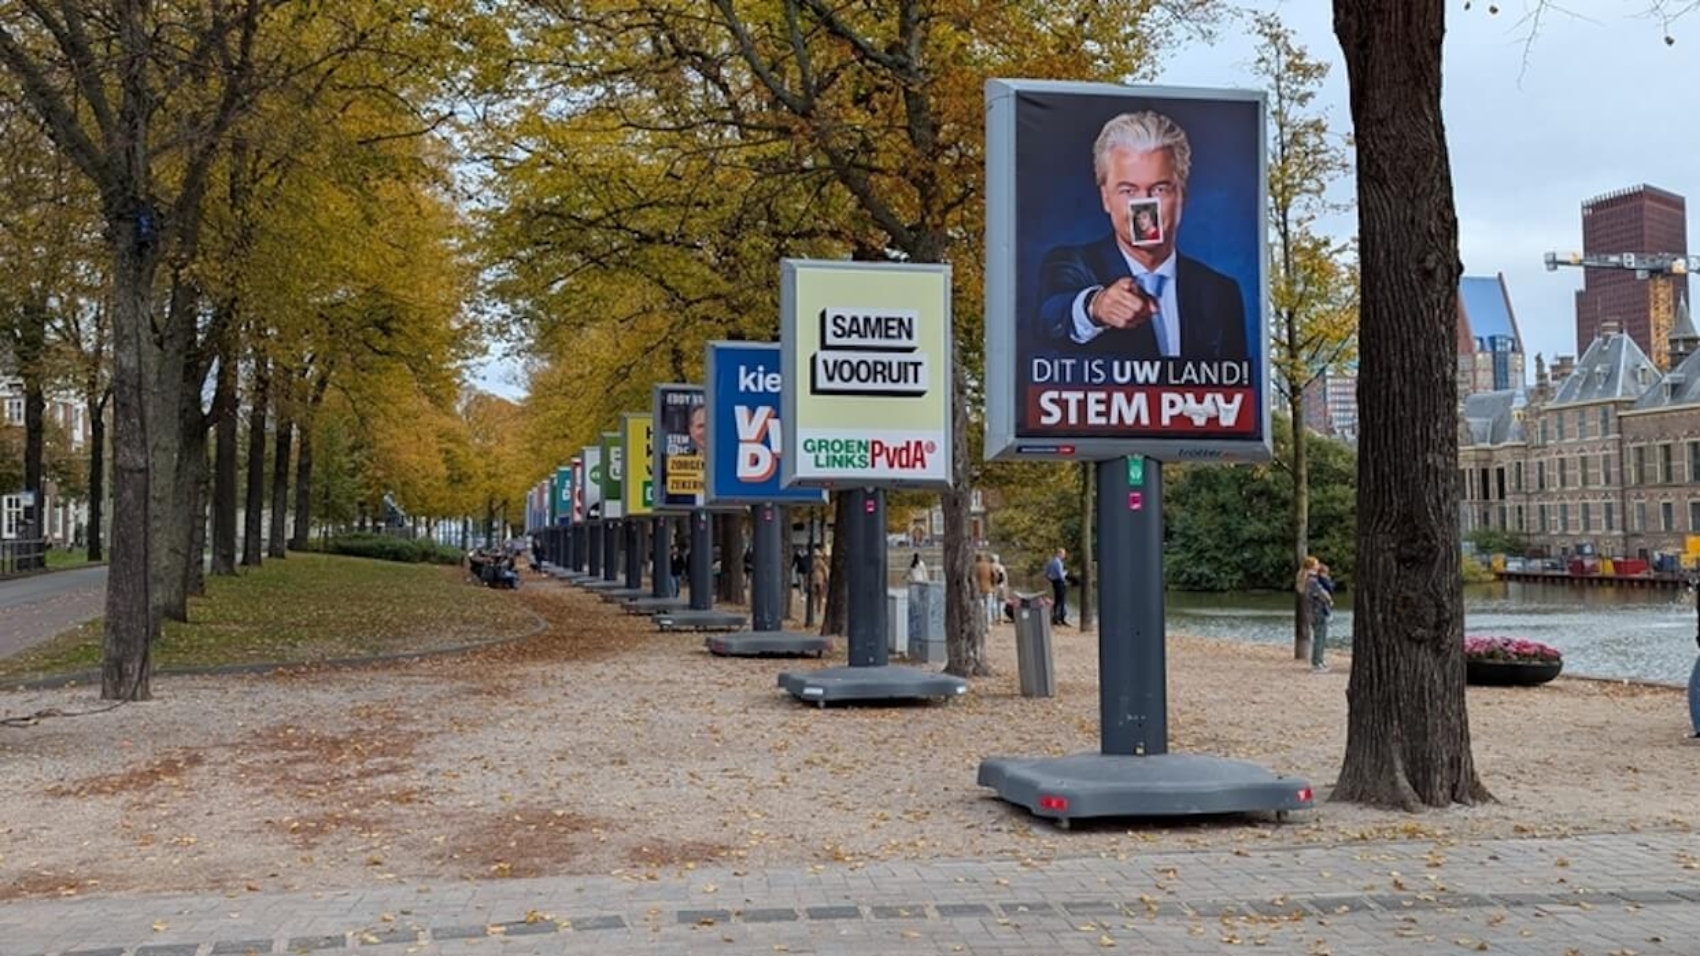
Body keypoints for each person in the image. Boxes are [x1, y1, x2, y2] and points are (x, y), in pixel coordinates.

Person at [1034, 110, 1248, 361]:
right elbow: (1051, 317)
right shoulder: (1071, 264)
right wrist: (1096, 307)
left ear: (1182, 195)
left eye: (1158, 188)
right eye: (1128, 191)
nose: (1144, 207)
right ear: (1106, 198)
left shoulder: (1220, 292)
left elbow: (1237, 390)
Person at [1305, 557, 1336, 673]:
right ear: (1312, 566)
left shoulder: (1312, 580)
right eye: (1316, 564)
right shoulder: (1312, 581)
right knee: (1319, 637)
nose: (1318, 565)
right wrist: (1328, 599)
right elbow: (1322, 593)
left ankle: (1319, 660)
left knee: (1321, 637)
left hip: (1317, 611)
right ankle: (1316, 663)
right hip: (1318, 612)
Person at [1045, 547, 1069, 626]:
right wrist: (1065, 574)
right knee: (1061, 601)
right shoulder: (1058, 562)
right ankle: (1061, 619)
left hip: (1054, 582)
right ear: (1059, 553)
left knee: (1057, 600)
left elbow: (1046, 573)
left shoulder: (1050, 562)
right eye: (1063, 554)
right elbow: (1060, 575)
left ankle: (1055, 617)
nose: (1064, 556)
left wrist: (1051, 579)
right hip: (1059, 582)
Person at [974, 553, 996, 626]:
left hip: (978, 590)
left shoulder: (975, 566)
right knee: (988, 608)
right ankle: (988, 624)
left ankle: (981, 624)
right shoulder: (989, 565)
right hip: (989, 588)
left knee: (980, 608)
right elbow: (995, 575)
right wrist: (993, 583)